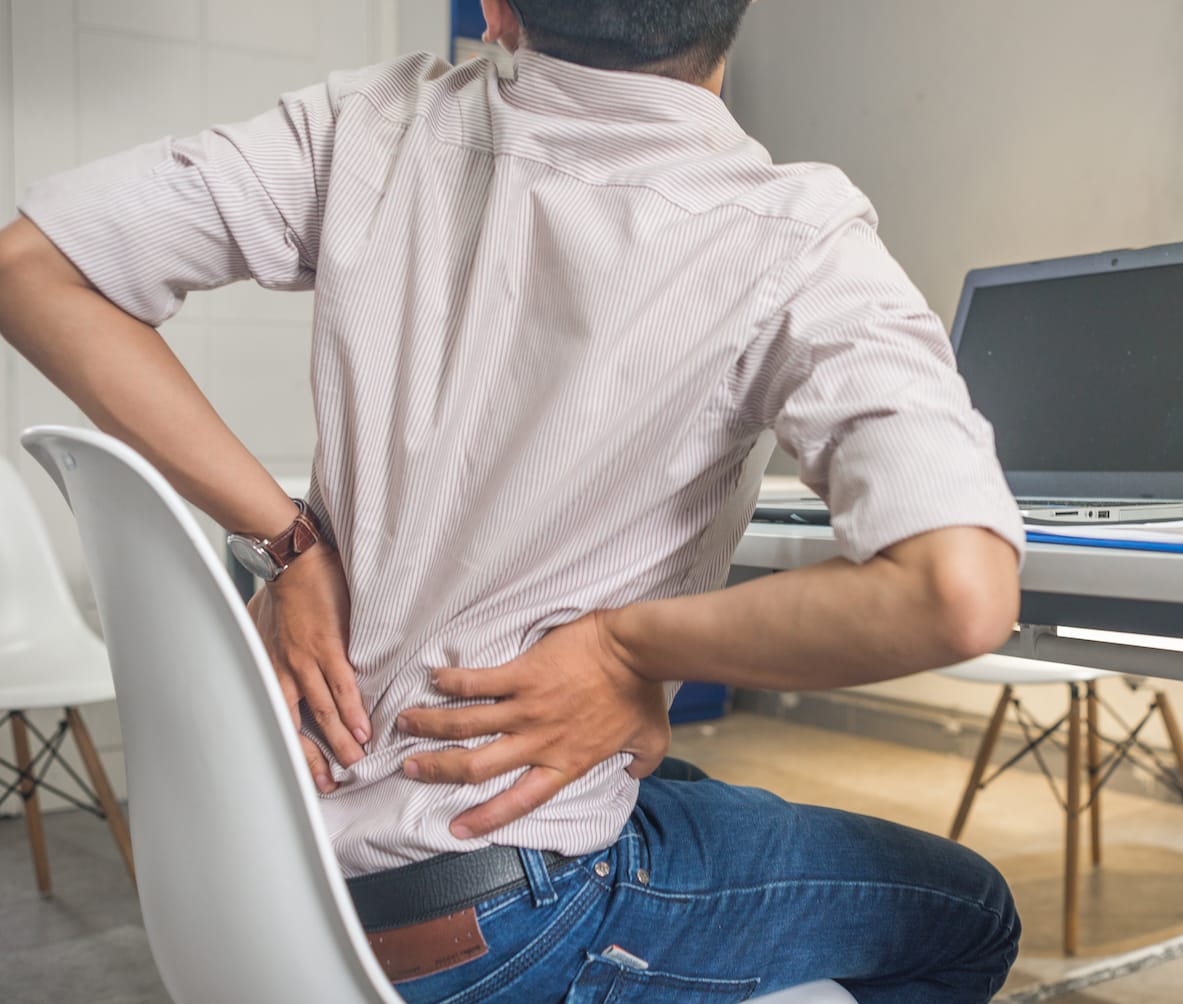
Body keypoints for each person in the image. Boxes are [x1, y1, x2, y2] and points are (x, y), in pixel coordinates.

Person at [0, 1, 1026, 1000]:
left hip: (277, 871)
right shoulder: (798, 237)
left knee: (688, 794)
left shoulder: (369, 124)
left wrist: (288, 539)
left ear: (495, 7)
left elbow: (31, 267)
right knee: (969, 910)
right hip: (512, 923)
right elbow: (957, 591)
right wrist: (632, 650)